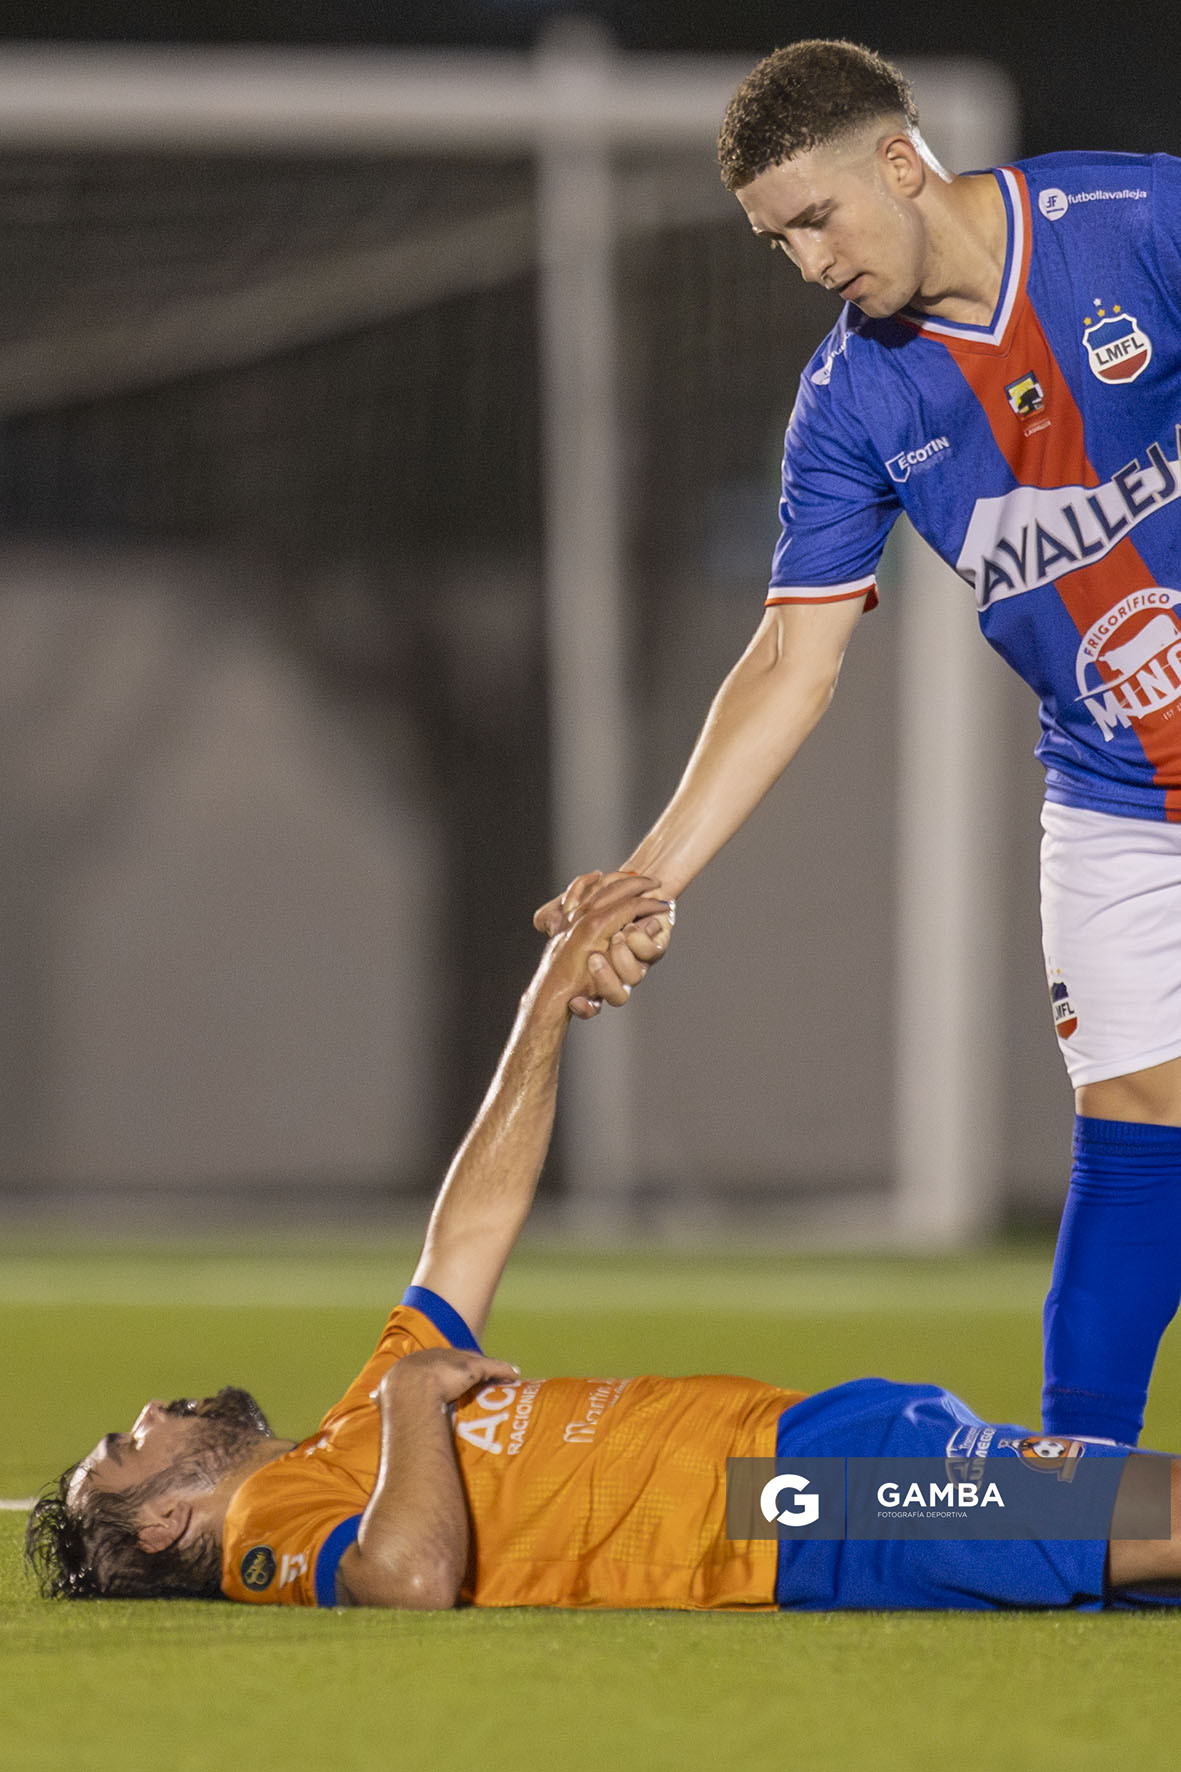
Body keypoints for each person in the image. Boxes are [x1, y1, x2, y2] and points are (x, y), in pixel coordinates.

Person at [535, 38, 1181, 1450]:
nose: (808, 262)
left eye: (815, 219)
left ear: (900, 162)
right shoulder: (849, 404)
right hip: (1115, 791)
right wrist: (647, 877)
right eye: (776, 243)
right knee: (1134, 1139)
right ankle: (1076, 1502)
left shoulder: (1137, 225)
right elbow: (790, 661)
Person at [22, 873, 1181, 1612]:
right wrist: (418, 1399)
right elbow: (408, 1579)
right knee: (1148, 1514)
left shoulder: (349, 1428)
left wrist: (548, 994)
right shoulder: (276, 1529)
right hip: (798, 1507)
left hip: (814, 1449)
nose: (158, 1407)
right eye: (130, 1441)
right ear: (167, 1523)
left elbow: (469, 1222)